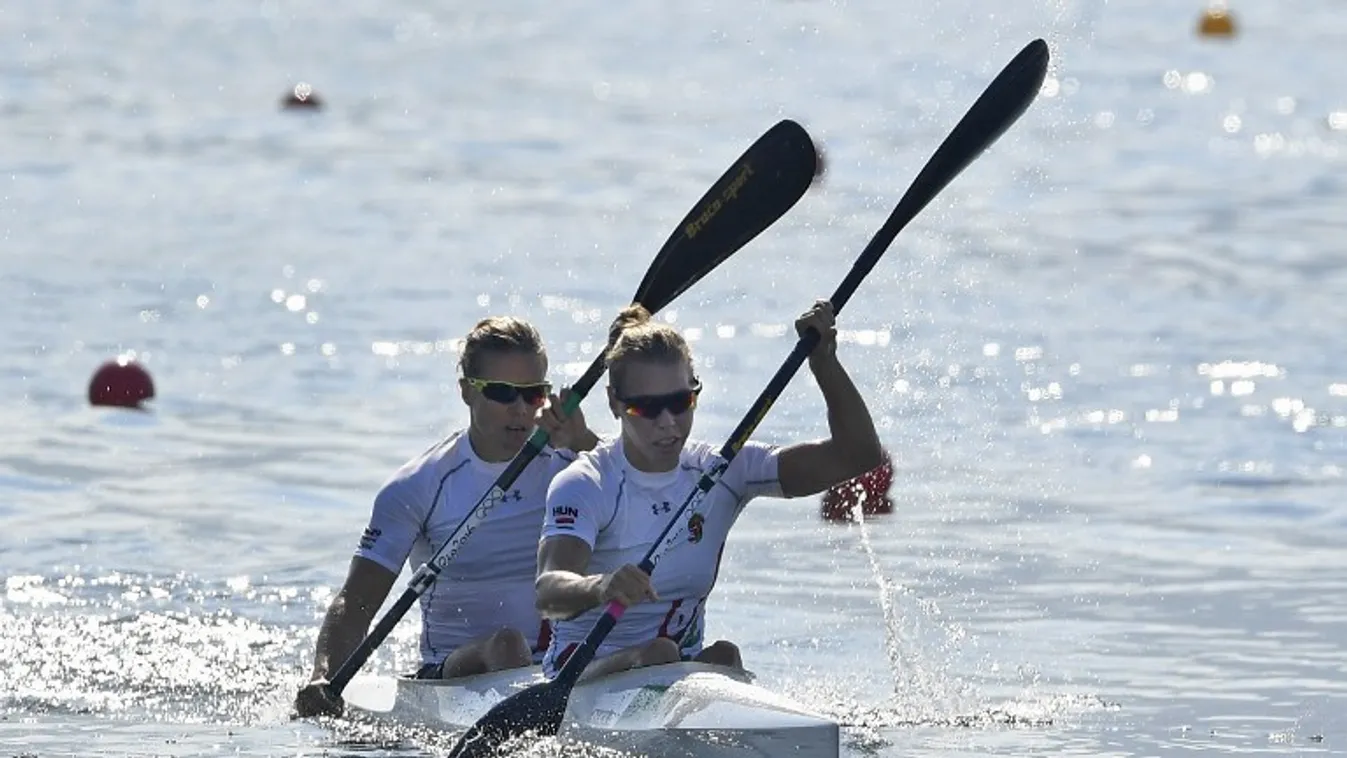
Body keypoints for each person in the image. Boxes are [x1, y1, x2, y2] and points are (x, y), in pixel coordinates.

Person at [535, 299, 883, 681]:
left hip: (678, 665)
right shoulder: (587, 483)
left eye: (680, 402)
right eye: (647, 408)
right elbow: (549, 592)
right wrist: (600, 585)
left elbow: (859, 455)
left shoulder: (721, 471)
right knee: (661, 652)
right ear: (615, 403)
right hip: (578, 674)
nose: (668, 422)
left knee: (723, 655)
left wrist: (825, 363)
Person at [293, 316, 599, 717]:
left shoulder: (578, 465)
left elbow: (643, 491)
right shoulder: (420, 486)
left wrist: (586, 442)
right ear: (466, 392)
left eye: (534, 394)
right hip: (455, 677)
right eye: (503, 393)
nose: (521, 410)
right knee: (507, 645)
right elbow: (357, 601)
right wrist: (324, 674)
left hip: (559, 666)